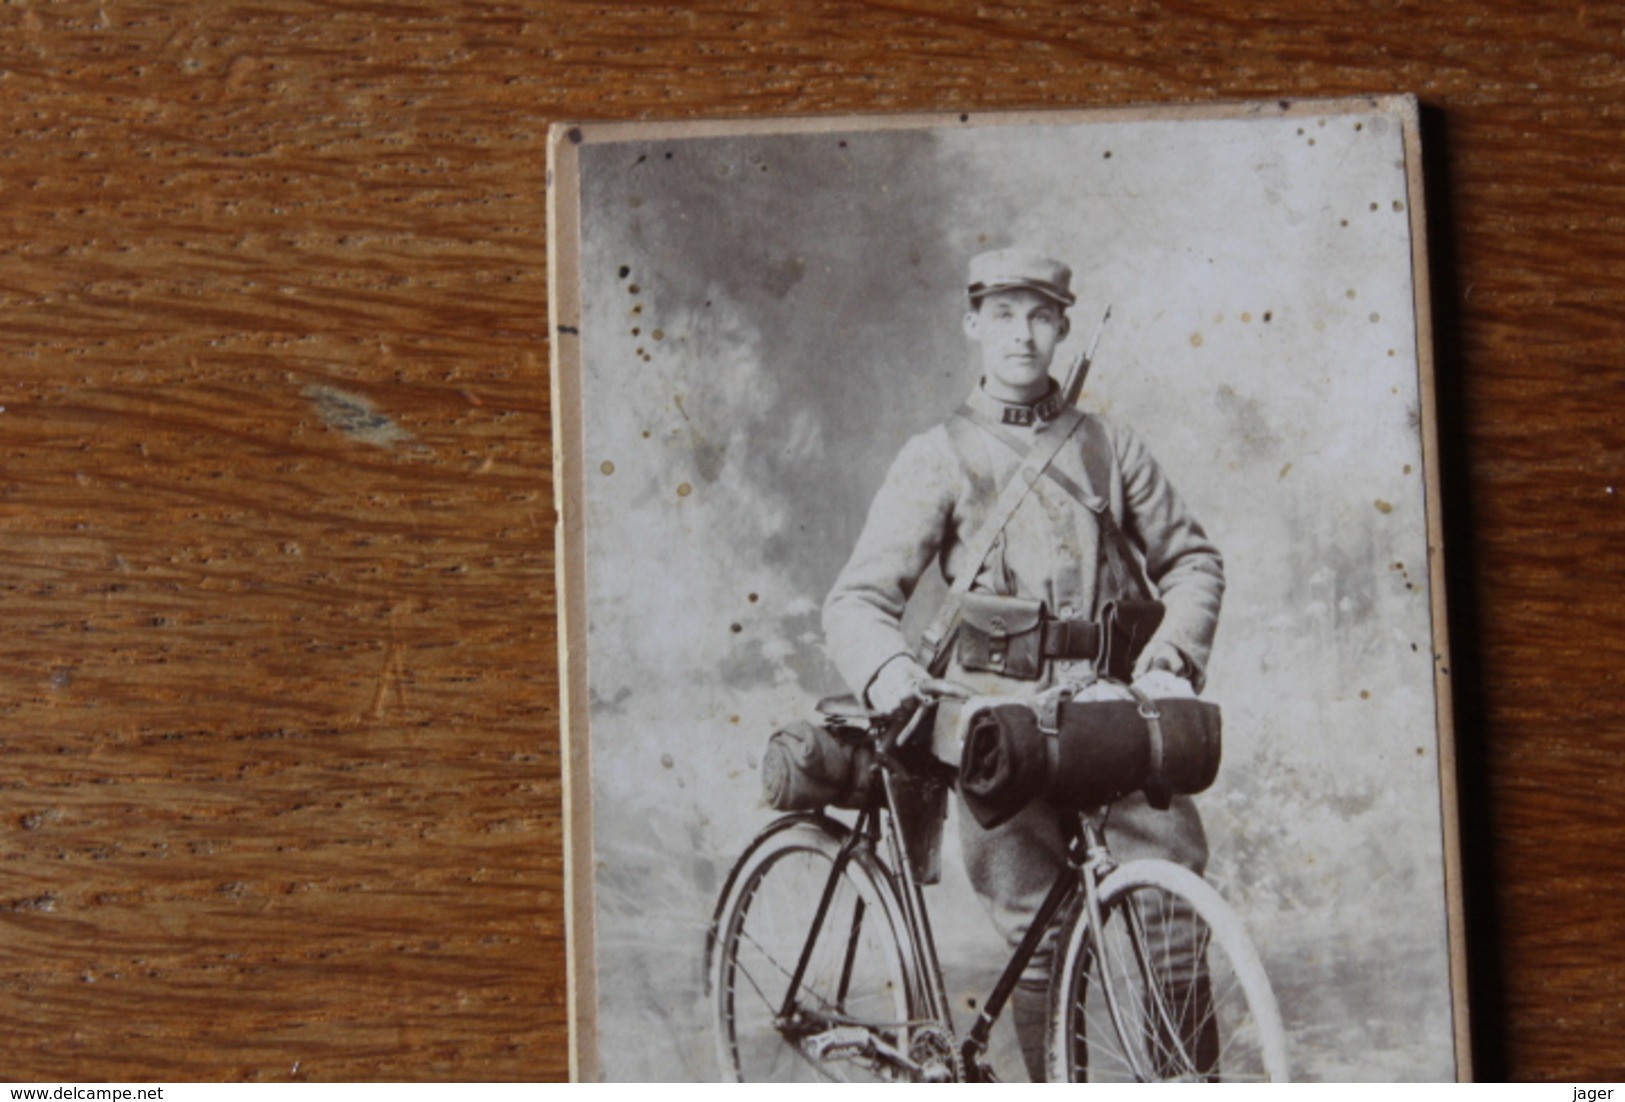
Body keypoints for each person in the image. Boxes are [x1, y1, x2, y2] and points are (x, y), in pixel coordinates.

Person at [822, 247, 1225, 1080]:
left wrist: (1170, 663)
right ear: (973, 325)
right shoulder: (936, 457)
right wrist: (896, 681)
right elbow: (855, 603)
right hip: (997, 731)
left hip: (1115, 715)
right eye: (1002, 314)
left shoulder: (1112, 449)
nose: (1021, 335)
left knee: (1174, 921)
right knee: (1035, 942)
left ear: (1061, 329)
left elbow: (1193, 563)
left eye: (1040, 316)